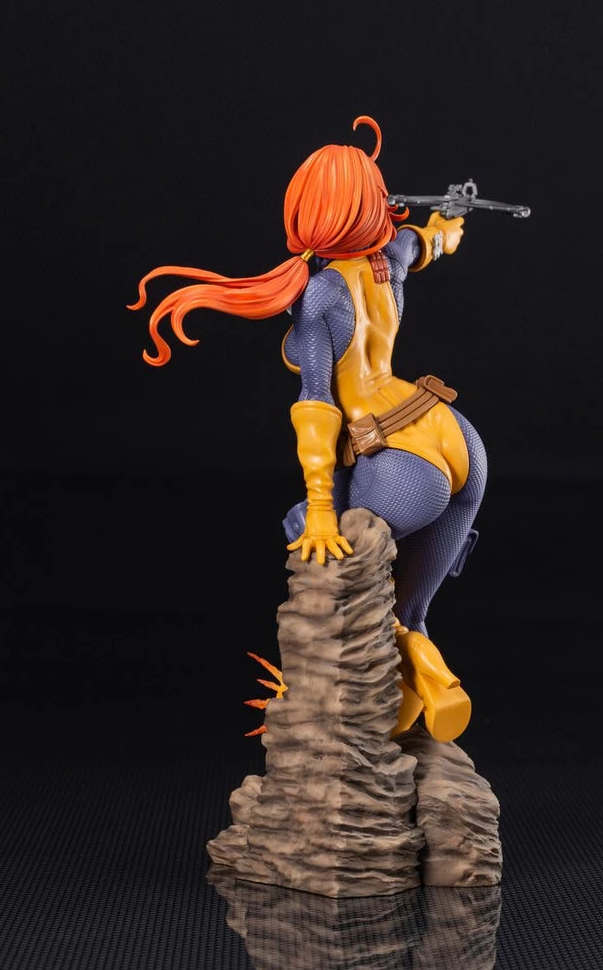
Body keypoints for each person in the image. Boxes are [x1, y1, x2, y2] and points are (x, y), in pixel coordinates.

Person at [128, 116, 487, 742]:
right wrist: (450, 221)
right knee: (411, 602)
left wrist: (321, 509)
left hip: (394, 453)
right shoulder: (390, 261)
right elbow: (430, 242)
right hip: (455, 436)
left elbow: (316, 406)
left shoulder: (321, 293)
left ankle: (413, 662)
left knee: (306, 530)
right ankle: (414, 671)